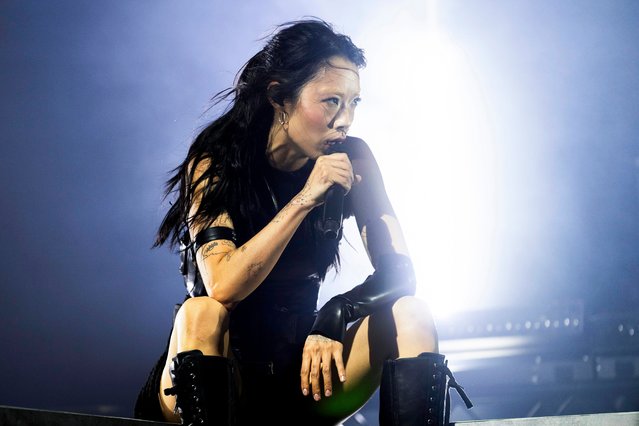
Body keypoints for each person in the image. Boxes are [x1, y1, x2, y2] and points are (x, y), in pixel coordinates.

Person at [134, 19, 471, 426]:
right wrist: (306, 198)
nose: (345, 120)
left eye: (354, 103)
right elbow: (223, 286)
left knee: (412, 312)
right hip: (219, 376)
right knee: (201, 312)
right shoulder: (215, 160)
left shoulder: (354, 158)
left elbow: (401, 273)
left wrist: (334, 314)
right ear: (280, 97)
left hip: (305, 371)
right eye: (331, 101)